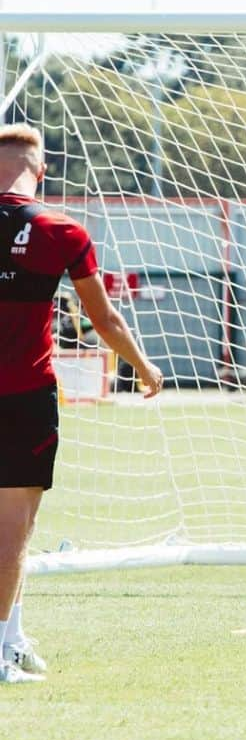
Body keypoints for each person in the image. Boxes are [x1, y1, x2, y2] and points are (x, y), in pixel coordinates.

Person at [0, 124, 163, 684]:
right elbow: (104, 319)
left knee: (14, 531)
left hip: (23, 395)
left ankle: (11, 637)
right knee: (14, 526)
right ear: (41, 171)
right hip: (23, 397)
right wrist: (143, 367)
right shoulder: (60, 229)